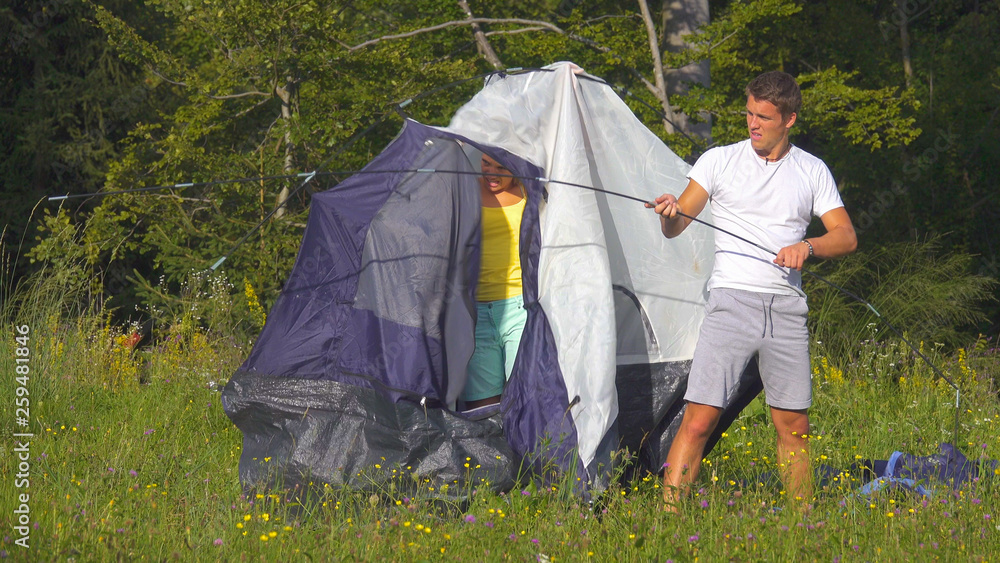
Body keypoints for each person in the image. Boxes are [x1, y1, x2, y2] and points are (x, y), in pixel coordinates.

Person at [646, 71, 858, 509]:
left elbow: (846, 236)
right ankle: (667, 521)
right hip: (730, 303)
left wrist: (808, 246)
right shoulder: (718, 160)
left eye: (763, 116)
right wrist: (668, 213)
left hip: (786, 310)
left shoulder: (812, 169)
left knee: (793, 424)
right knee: (699, 420)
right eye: (748, 113)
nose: (753, 123)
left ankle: (805, 523)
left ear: (789, 119)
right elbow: (677, 223)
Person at [461, 153, 528, 410]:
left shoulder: (528, 193)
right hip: (474, 311)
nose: (492, 172)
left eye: (502, 167)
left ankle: (523, 451)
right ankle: (489, 452)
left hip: (519, 306)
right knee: (482, 402)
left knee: (520, 394)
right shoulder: (465, 190)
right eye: (486, 163)